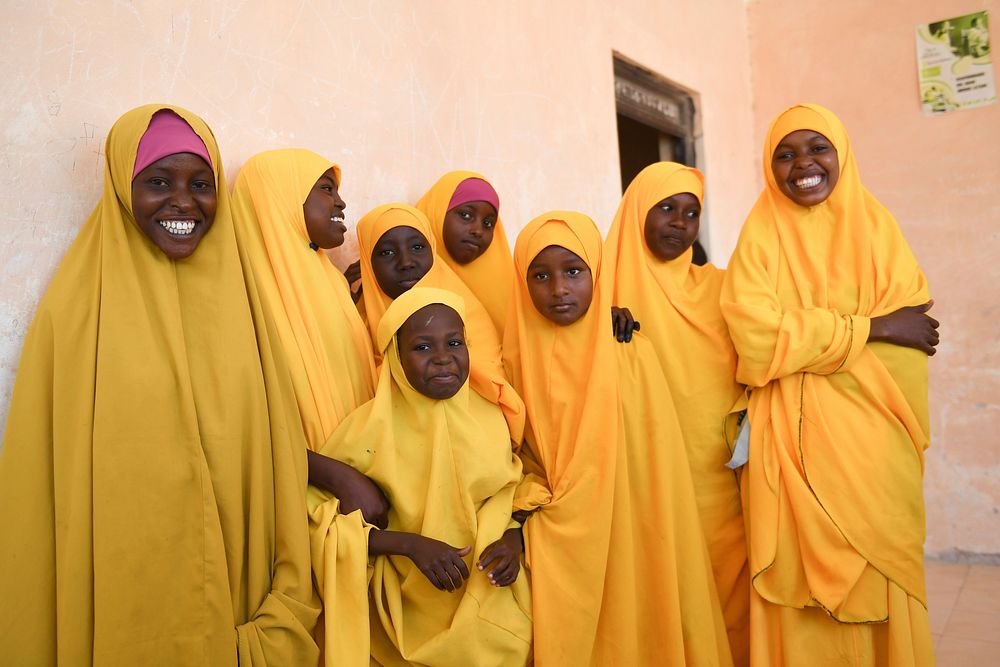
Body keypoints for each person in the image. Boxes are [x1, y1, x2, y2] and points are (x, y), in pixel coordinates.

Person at [0, 105, 319, 665]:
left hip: (239, 604)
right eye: (158, 182)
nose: (183, 201)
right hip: (122, 599)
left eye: (201, 184)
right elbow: (42, 482)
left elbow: (277, 450)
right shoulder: (74, 311)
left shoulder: (245, 304)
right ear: (124, 187)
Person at [721, 103, 938, 666]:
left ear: (842, 152)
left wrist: (810, 347)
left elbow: (914, 340)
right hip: (789, 445)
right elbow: (756, 339)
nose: (803, 165)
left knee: (879, 564)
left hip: (874, 442)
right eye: (785, 155)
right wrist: (873, 328)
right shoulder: (760, 236)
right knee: (800, 585)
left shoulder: (878, 228)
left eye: (818, 148)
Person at [506, 211, 733, 666]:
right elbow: (515, 454)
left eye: (574, 272)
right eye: (540, 275)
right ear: (521, 281)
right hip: (558, 535)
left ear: (598, 273)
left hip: (632, 526)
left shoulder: (629, 352)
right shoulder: (513, 360)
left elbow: (653, 462)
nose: (559, 289)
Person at [309, 287, 532, 666]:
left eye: (454, 342)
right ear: (395, 357)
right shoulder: (367, 431)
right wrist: (408, 545)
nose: (444, 359)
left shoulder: (492, 418)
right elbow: (321, 525)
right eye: (423, 348)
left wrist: (515, 540)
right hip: (400, 616)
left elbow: (512, 494)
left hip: (490, 602)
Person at [605, 161, 750, 666]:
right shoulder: (597, 286)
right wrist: (594, 317)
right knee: (663, 581)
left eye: (691, 213)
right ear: (636, 210)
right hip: (644, 471)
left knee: (726, 580)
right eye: (665, 207)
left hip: (716, 471)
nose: (679, 222)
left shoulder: (722, 286)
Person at [355, 203, 524, 442]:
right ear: (367, 262)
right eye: (386, 253)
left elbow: (491, 384)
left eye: (417, 247)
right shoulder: (357, 322)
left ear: (432, 250)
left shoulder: (466, 312)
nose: (406, 262)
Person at [415, 171, 513, 335]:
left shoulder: (507, 290)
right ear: (436, 214)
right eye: (466, 215)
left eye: (488, 223)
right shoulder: (407, 276)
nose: (478, 231)